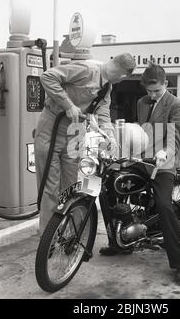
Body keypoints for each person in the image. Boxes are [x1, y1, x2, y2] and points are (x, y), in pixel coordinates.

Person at [100, 63, 180, 283]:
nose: (151, 95)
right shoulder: (141, 102)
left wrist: (164, 152)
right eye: (149, 91)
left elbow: (176, 138)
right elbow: (140, 132)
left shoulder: (176, 105)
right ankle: (118, 241)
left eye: (156, 91)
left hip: (163, 162)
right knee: (110, 183)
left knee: (164, 205)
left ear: (166, 85)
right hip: (142, 158)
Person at [34, 53, 136, 235]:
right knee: (50, 187)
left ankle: (68, 233)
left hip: (76, 132)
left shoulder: (107, 88)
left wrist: (110, 137)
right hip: (52, 127)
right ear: (122, 76)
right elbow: (47, 76)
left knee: (72, 186)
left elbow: (103, 113)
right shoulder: (86, 70)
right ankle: (47, 237)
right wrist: (68, 105)